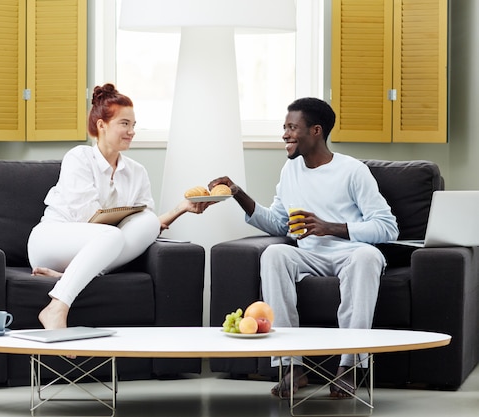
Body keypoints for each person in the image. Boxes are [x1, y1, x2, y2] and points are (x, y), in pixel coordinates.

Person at [208, 97, 399, 398]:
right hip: (310, 254)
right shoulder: (291, 171)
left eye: (292, 127)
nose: (285, 134)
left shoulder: (352, 171)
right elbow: (280, 224)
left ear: (316, 131)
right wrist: (237, 193)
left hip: (350, 252)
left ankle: (350, 367)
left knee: (367, 257)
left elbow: (387, 226)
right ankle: (292, 366)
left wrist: (330, 227)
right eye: (284, 127)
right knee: (274, 253)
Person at [27, 83, 210, 331]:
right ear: (101, 125)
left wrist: (180, 208)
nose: (131, 131)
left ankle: (72, 277)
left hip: (100, 249)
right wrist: (123, 223)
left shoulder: (137, 172)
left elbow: (139, 229)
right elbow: (87, 218)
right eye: (124, 124)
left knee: (146, 222)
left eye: (133, 125)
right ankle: (57, 306)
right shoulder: (79, 158)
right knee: (113, 235)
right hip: (52, 241)